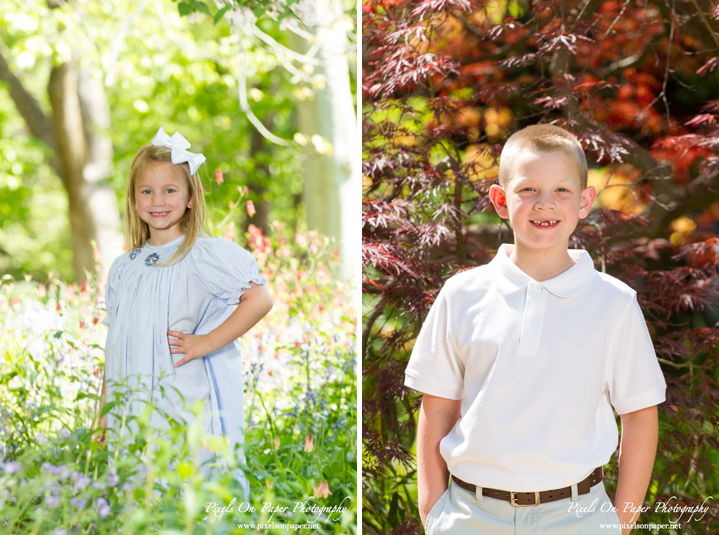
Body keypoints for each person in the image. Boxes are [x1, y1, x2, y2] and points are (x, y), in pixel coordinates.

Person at [405, 124, 666, 535]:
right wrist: (433, 512)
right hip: (470, 516)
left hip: (579, 516)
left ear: (584, 201)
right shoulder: (463, 295)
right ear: (500, 200)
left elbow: (639, 414)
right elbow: (437, 407)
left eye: (561, 190)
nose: (545, 204)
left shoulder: (614, 303)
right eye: (527, 190)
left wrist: (621, 524)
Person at [96, 127, 273, 484]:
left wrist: (206, 342)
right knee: (135, 488)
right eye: (146, 191)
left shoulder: (203, 256)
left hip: (181, 398)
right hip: (129, 406)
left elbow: (259, 299)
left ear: (190, 197)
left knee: (182, 484)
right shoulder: (124, 268)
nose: (157, 200)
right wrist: (103, 414)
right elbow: (114, 346)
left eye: (170, 190)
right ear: (133, 199)